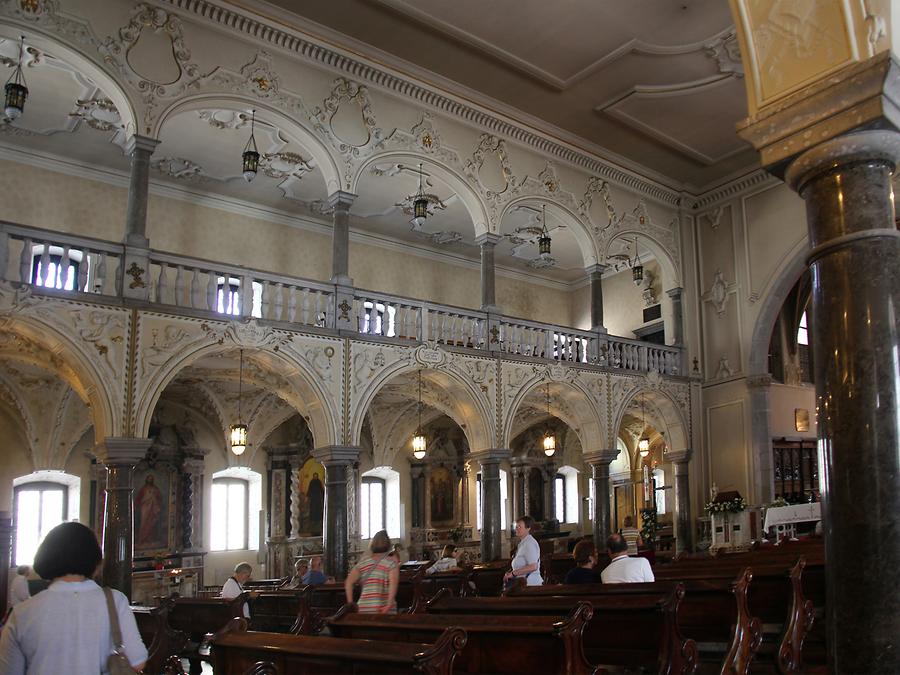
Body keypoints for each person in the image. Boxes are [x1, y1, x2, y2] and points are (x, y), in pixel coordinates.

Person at [0, 522, 148, 674]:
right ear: (95, 560)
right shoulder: (116, 602)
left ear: (45, 557)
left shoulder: (22, 613)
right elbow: (138, 661)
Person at [344, 530, 399, 613]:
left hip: (363, 608)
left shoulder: (363, 562)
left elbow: (348, 582)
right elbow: (393, 584)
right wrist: (389, 604)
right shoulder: (391, 563)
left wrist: (351, 604)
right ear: (388, 544)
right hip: (382, 609)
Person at [503, 515, 542, 587]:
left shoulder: (529, 543)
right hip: (523, 583)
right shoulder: (523, 543)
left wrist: (513, 573)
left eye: (519, 527)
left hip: (530, 584)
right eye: (516, 527)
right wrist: (510, 573)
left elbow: (533, 566)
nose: (516, 529)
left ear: (528, 528)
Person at [135, 474, 163, 549]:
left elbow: (160, 498)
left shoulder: (155, 489)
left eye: (151, 479)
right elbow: (138, 498)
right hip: (145, 508)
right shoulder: (143, 489)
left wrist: (156, 501)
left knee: (152, 523)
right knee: (144, 523)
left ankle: (150, 539)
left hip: (153, 508)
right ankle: (142, 539)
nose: (150, 480)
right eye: (149, 479)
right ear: (147, 480)